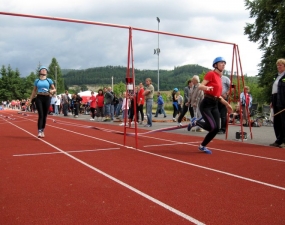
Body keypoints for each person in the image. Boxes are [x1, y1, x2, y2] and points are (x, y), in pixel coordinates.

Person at [187, 57, 232, 154]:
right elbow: (200, 86)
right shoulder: (211, 74)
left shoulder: (220, 78)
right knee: (212, 127)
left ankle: (202, 146)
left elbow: (218, 96)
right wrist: (207, 88)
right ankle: (195, 122)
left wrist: (227, 104)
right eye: (221, 63)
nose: (223, 64)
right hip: (206, 104)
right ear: (215, 65)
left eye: (224, 63)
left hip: (215, 104)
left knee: (216, 129)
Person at [29, 66, 56, 138]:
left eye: (45, 70)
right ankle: (39, 131)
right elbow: (34, 91)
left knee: (45, 115)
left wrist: (51, 91)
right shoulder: (37, 81)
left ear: (47, 72)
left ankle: (43, 129)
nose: (44, 71)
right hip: (39, 98)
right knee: (40, 115)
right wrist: (30, 100)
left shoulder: (49, 80)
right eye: (42, 70)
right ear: (40, 71)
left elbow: (54, 89)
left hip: (47, 97)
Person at [269, 58, 285, 148]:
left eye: (280, 65)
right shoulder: (276, 76)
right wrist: (272, 100)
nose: (278, 67)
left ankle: (284, 140)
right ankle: (278, 139)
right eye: (278, 65)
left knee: (283, 121)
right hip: (275, 98)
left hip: (283, 99)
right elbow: (274, 89)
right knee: (277, 121)